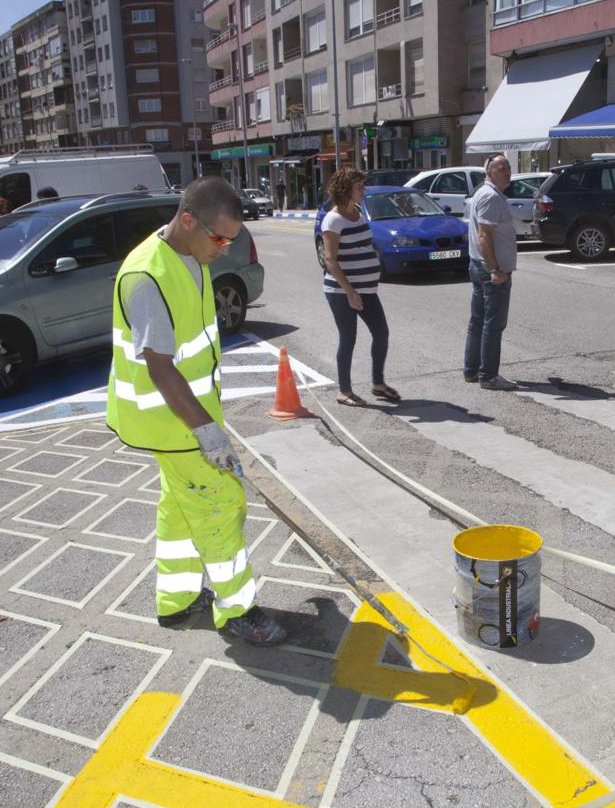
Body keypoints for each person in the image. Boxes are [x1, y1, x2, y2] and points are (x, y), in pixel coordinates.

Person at [106, 177, 287, 646]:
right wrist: (208, 432)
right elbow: (161, 368)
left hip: (182, 419)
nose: (225, 249)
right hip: (176, 425)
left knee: (180, 510)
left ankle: (178, 601)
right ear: (188, 220)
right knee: (221, 507)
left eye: (233, 239)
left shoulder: (189, 253)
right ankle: (238, 610)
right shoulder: (148, 277)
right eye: (220, 238)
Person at [320, 167, 400, 406]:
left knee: (381, 333)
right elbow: (330, 260)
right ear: (346, 190)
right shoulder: (333, 220)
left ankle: (378, 382)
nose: (363, 190)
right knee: (348, 337)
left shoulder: (357, 211)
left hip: (366, 289)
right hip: (341, 291)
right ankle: (344, 391)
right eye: (359, 187)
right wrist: (350, 291)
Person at [463, 154, 518, 391]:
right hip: (491, 270)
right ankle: (488, 376)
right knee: (492, 324)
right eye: (501, 168)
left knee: (478, 321)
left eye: (508, 167)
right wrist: (496, 269)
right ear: (489, 172)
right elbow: (484, 236)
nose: (507, 171)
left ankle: (472, 370)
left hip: (480, 266)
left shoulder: (485, 194)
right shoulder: (490, 197)